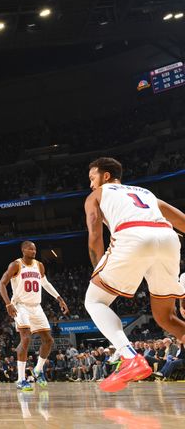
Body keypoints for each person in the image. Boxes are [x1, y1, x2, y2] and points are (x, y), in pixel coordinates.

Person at [84, 157, 185, 392]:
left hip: (132, 236)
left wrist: (98, 269)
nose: (90, 185)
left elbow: (95, 233)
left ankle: (129, 357)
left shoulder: (97, 195)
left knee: (95, 300)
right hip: (168, 239)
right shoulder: (146, 193)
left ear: (105, 176)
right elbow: (181, 220)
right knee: (166, 318)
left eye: (92, 178)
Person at [0, 241, 69, 391]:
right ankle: (21, 380)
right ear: (23, 250)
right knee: (26, 338)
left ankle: (38, 370)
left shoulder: (39, 265)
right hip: (20, 305)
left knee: (48, 340)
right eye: (30, 248)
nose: (33, 251)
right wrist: (8, 304)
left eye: (35, 249)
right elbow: (2, 284)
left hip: (36, 307)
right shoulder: (15, 265)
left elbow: (46, 283)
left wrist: (59, 298)